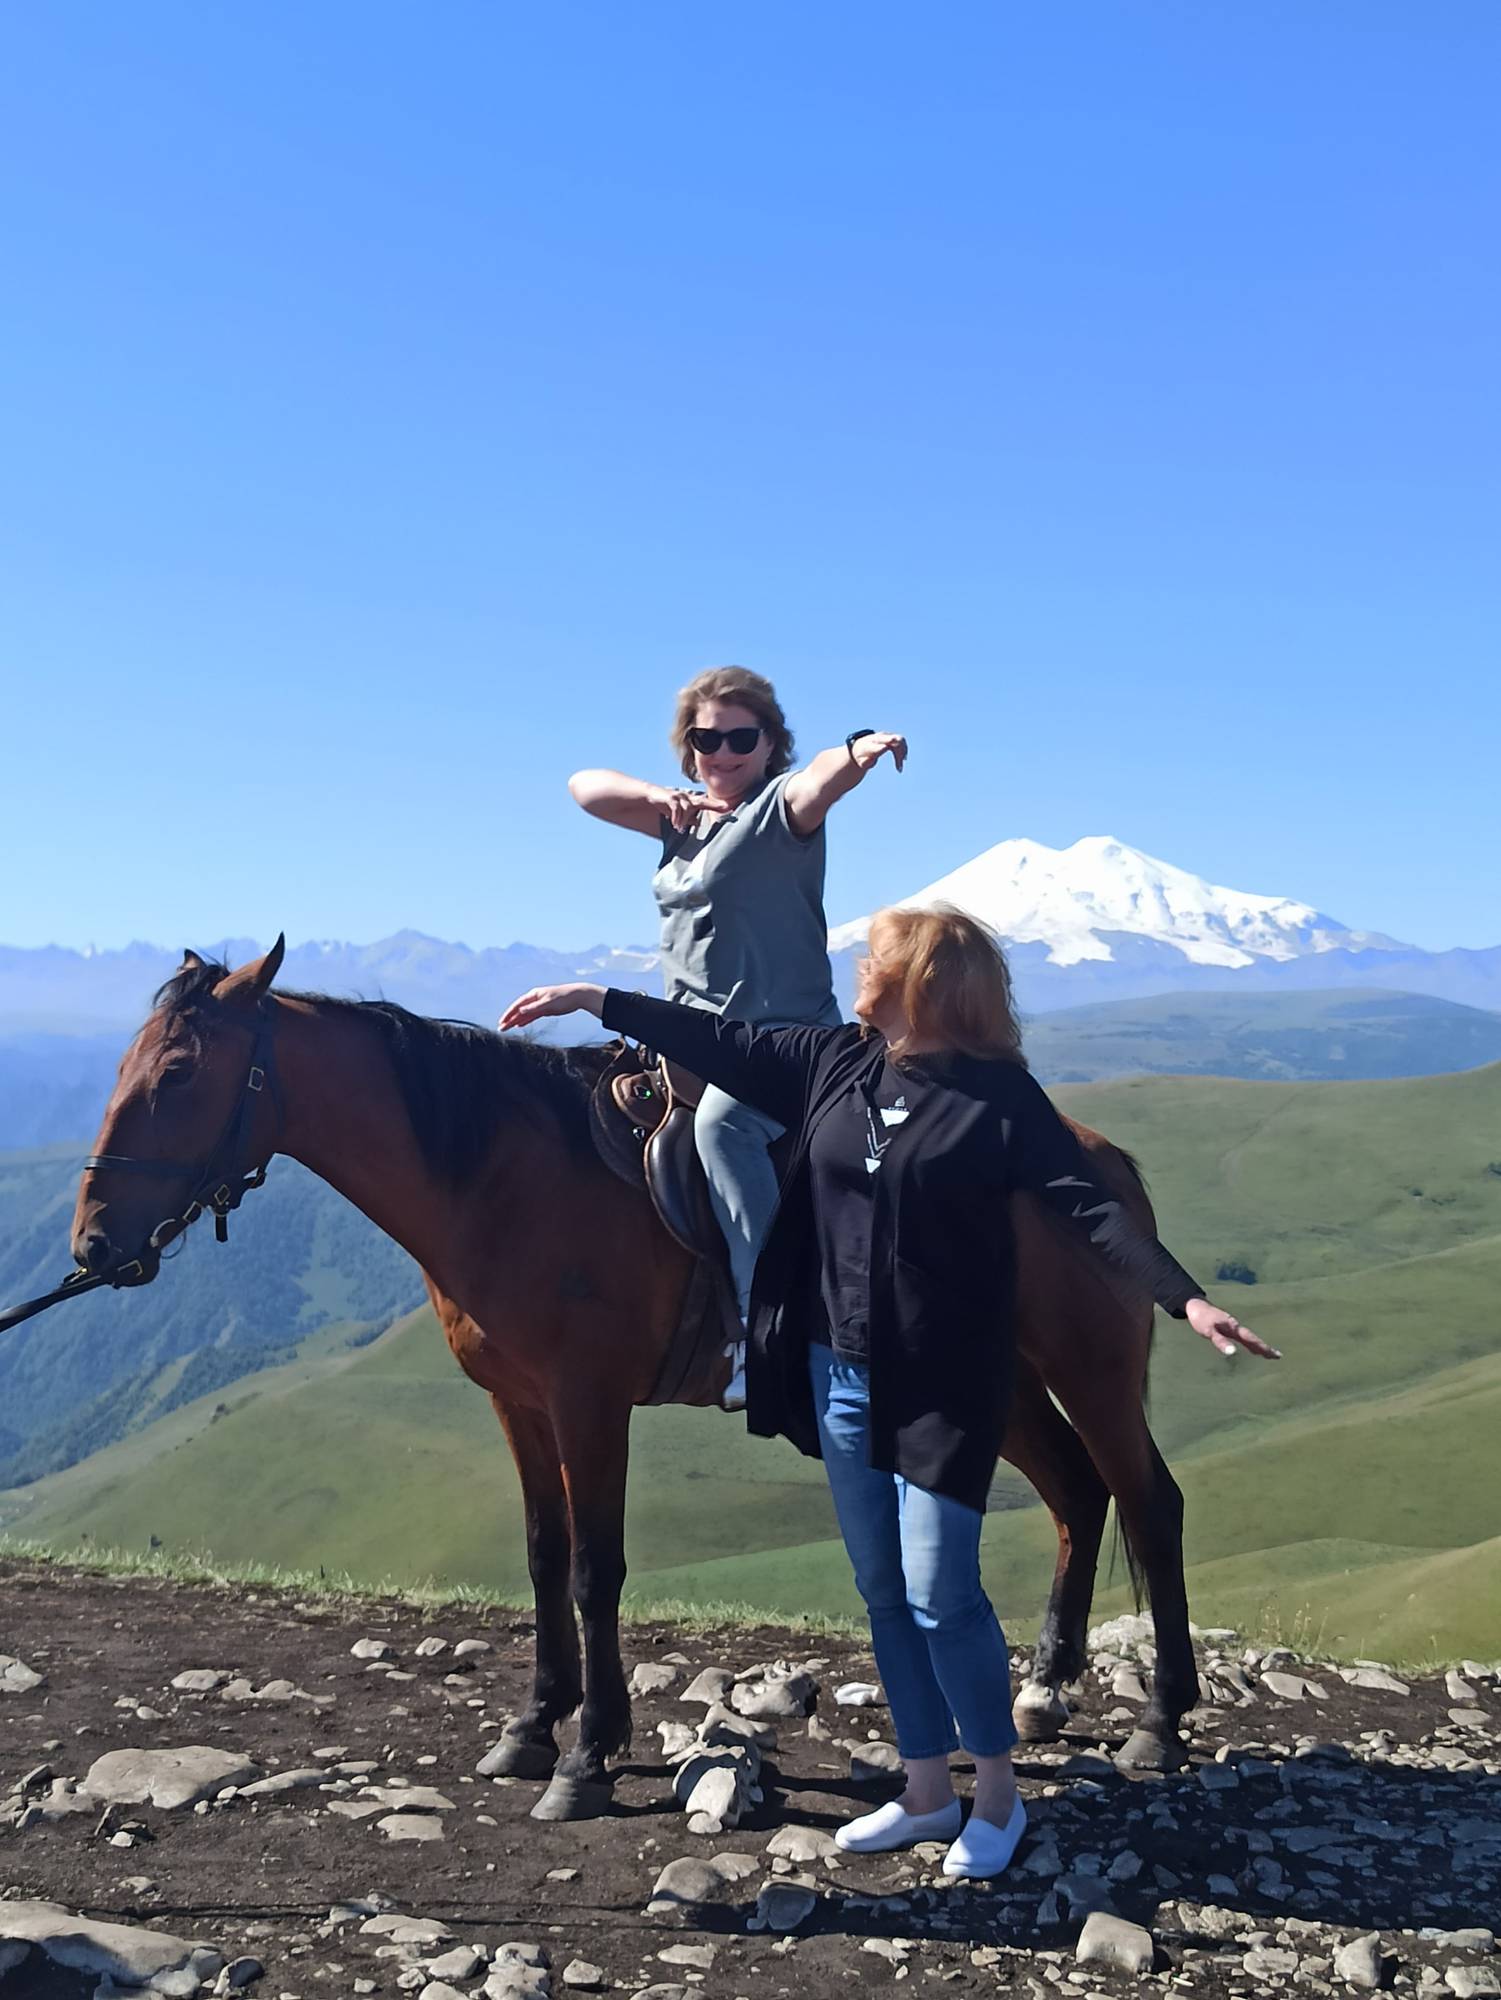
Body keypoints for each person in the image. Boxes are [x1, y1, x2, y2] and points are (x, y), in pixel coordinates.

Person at [499, 905, 1279, 1878]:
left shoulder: (998, 1099)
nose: (863, 960)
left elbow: (1087, 1209)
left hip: (947, 1377)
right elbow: (720, 1040)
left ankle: (993, 1799)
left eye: (882, 953)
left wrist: (1184, 1298)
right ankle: (923, 1787)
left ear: (927, 983)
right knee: (881, 1590)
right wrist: (595, 999)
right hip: (840, 1370)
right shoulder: (836, 1060)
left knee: (939, 1588)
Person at [566, 665, 906, 1406]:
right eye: (704, 738)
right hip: (689, 1039)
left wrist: (854, 752)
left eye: (739, 739)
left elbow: (817, 780)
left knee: (724, 1129)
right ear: (686, 746)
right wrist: (660, 798)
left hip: (787, 1045)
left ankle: (766, 1329)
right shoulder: (677, 821)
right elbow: (582, 786)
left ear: (769, 744)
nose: (721, 754)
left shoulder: (779, 812)